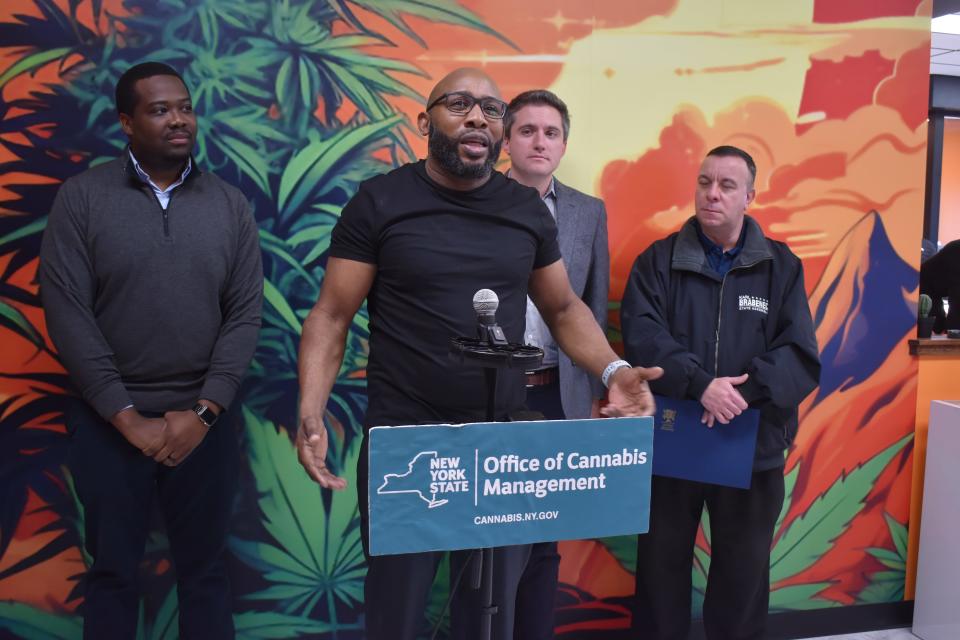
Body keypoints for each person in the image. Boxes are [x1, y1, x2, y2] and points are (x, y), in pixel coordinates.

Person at [295, 68, 662, 640]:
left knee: (492, 611)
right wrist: (311, 410)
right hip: (408, 443)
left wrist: (611, 370)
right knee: (398, 606)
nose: (477, 117)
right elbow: (332, 314)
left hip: (501, 446)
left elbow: (564, 309)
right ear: (425, 121)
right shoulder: (381, 202)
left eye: (491, 109)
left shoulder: (523, 210)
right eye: (460, 103)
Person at [39, 62, 263, 639]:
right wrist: (125, 416)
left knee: (206, 573)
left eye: (184, 107)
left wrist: (205, 411)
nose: (178, 119)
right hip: (108, 425)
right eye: (160, 110)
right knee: (112, 573)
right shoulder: (83, 199)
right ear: (127, 123)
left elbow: (243, 315)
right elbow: (67, 312)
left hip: (204, 425)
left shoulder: (229, 204)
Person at [620, 145, 820, 640]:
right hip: (673, 441)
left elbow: (800, 355)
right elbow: (642, 336)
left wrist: (739, 394)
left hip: (752, 445)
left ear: (750, 196)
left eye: (727, 185)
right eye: (705, 182)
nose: (712, 194)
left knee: (742, 575)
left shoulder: (782, 267)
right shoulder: (657, 262)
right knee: (660, 571)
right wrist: (701, 385)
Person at [501, 88, 610, 638]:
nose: (539, 141)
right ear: (507, 139)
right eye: (527, 130)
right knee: (490, 533)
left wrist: (596, 391)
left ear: (564, 144)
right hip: (494, 393)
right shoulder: (479, 201)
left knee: (545, 534)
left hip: (556, 393)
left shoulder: (588, 213)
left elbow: (590, 303)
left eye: (551, 132)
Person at [920, 238, 960, 332]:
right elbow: (957, 301)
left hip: (943, 287)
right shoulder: (956, 250)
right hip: (926, 287)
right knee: (937, 328)